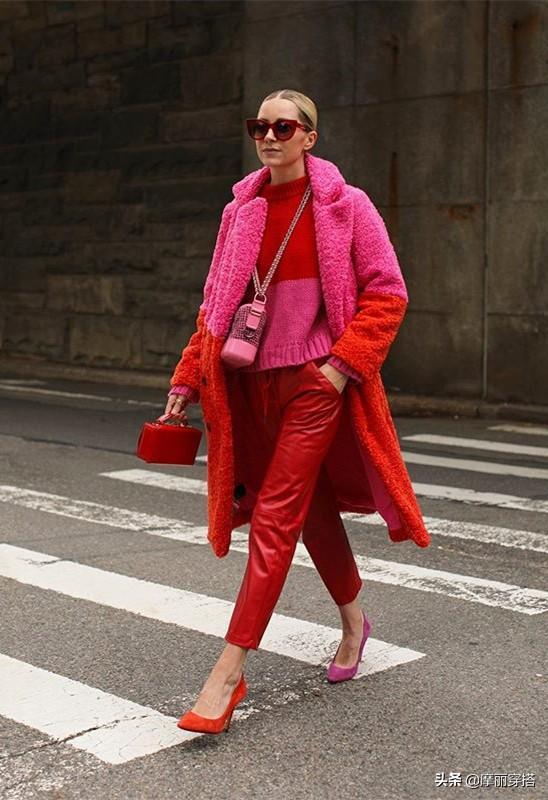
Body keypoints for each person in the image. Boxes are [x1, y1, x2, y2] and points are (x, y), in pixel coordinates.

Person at [164, 89, 431, 735]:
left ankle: (227, 673)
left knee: (275, 516)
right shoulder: (240, 211)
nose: (269, 136)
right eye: (260, 126)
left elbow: (387, 292)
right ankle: (354, 623)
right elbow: (215, 306)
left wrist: (339, 369)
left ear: (310, 136)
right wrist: (187, 378)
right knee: (310, 513)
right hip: (250, 386)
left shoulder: (346, 204)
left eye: (284, 127)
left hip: (315, 384)